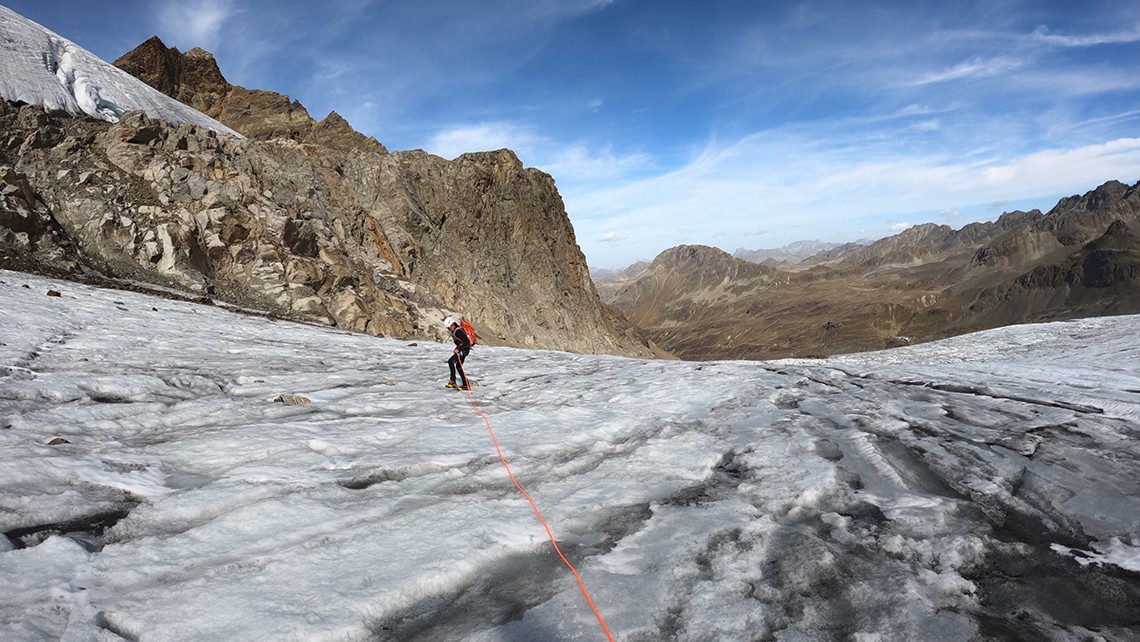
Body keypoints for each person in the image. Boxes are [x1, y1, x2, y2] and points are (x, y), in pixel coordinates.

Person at [444, 316, 472, 390]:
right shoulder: (456, 330)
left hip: (464, 350)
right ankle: (466, 384)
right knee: (458, 367)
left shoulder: (458, 331)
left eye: (449, 328)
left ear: (452, 324)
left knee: (451, 361)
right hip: (464, 350)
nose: (448, 329)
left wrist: (458, 348)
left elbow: (466, 341)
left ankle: (453, 381)